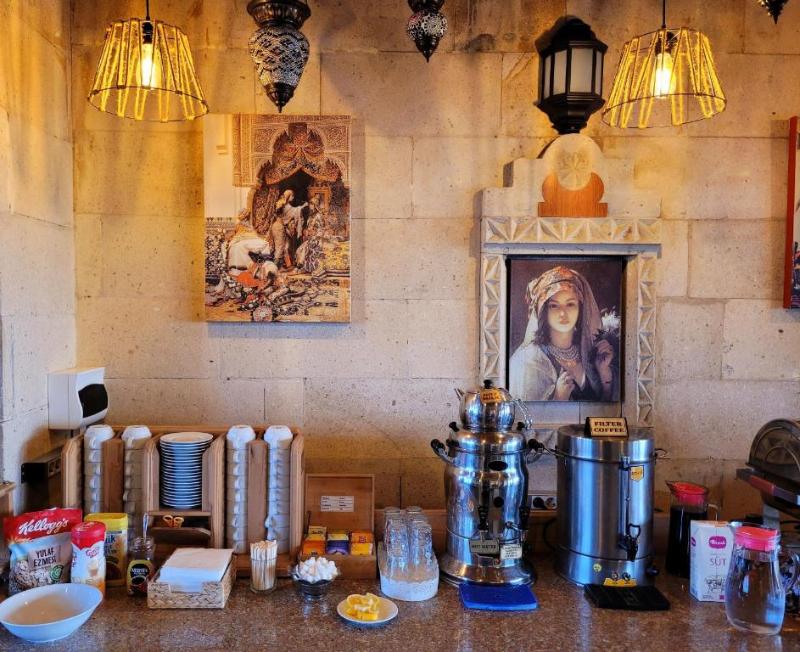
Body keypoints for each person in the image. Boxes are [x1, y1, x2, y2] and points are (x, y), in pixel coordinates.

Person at [509, 266, 615, 401]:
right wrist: (558, 398)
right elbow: (523, 411)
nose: (563, 313)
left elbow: (606, 407)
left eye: (570, 304)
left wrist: (604, 373)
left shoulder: (589, 350)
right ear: (543, 311)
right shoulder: (529, 360)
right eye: (554, 305)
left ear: (580, 308)